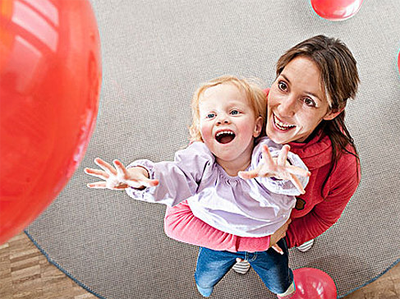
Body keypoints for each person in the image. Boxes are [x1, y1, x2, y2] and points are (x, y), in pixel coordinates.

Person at [84, 75, 310, 298]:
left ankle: (283, 291)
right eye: (211, 115)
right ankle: (205, 289)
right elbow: (174, 175)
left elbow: (289, 175)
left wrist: (280, 173)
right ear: (201, 129)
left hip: (269, 239)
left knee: (278, 279)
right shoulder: (200, 160)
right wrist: (139, 176)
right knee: (205, 277)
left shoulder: (267, 154)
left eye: (234, 112)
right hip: (218, 239)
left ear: (256, 126)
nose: (222, 120)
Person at [163, 35, 361, 288]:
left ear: (332, 111)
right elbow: (177, 217)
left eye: (308, 101)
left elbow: (322, 218)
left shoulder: (342, 167)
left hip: (280, 229)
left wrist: (286, 235)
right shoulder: (239, 114)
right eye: (283, 86)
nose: (283, 109)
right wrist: (251, 241)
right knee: (208, 276)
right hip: (237, 230)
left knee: (279, 279)